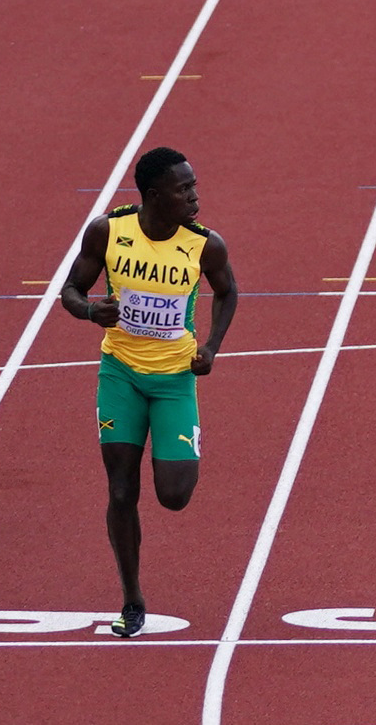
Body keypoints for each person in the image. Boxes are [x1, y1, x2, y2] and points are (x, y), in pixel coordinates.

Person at [59, 146, 238, 638]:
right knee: (121, 489)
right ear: (155, 196)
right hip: (120, 374)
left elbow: (228, 291)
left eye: (194, 186)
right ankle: (132, 599)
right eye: (185, 190)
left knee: (174, 495)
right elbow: (70, 289)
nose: (195, 197)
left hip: (175, 378)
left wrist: (212, 347)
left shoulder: (205, 245)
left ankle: (183, 443)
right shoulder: (108, 231)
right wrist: (89, 311)